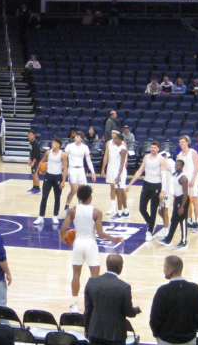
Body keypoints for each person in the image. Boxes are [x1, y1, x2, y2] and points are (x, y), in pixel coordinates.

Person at [60, 185, 124, 313]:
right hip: (90, 244)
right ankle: (95, 305)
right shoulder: (96, 212)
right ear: (90, 197)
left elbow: (62, 229)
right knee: (95, 277)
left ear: (79, 198)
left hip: (78, 243)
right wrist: (115, 238)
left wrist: (63, 240)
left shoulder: (72, 210)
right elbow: (100, 234)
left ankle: (75, 304)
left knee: (76, 275)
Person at [150, 255, 198, 345]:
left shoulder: (162, 291)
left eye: (164, 267)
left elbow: (154, 318)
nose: (163, 270)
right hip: (189, 339)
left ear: (170, 271)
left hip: (166, 340)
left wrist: (158, 335)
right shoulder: (195, 289)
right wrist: (193, 328)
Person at [84, 254, 140, 345]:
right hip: (115, 335)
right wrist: (136, 310)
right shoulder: (124, 287)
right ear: (119, 266)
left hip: (95, 332)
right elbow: (128, 312)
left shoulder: (91, 282)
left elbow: (87, 310)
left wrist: (87, 329)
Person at [128, 141, 166, 241]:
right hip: (146, 184)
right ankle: (151, 223)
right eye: (151, 147)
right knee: (142, 208)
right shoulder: (146, 157)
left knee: (153, 210)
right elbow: (140, 171)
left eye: (155, 147)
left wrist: (163, 191)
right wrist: (130, 183)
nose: (153, 149)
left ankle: (150, 230)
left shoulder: (161, 159)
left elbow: (164, 176)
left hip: (157, 185)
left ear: (158, 149)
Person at [157, 158, 191, 250]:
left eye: (178, 165)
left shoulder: (183, 178)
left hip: (183, 200)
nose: (176, 166)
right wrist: (175, 201)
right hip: (177, 199)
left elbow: (185, 193)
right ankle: (168, 239)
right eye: (176, 165)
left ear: (182, 166)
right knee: (174, 220)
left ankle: (184, 242)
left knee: (182, 221)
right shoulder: (176, 175)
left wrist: (182, 207)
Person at [35, 138, 67, 226]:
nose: (52, 144)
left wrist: (63, 181)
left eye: (54, 143)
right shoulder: (48, 152)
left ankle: (55, 216)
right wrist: (37, 172)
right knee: (44, 197)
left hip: (58, 177)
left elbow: (65, 169)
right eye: (52, 142)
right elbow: (42, 161)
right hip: (48, 176)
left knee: (57, 197)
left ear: (59, 145)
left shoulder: (63, 155)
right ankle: (41, 217)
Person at [64, 132, 98, 212]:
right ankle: (67, 205)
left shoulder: (85, 147)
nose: (75, 138)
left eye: (78, 136)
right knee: (74, 190)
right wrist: (64, 169)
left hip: (81, 170)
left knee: (82, 190)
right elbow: (64, 158)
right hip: (72, 169)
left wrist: (93, 172)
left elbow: (88, 160)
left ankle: (80, 207)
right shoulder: (69, 146)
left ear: (81, 139)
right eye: (75, 136)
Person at [176, 136, 198, 232]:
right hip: (184, 180)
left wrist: (193, 180)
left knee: (195, 201)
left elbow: (197, 166)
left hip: (193, 178)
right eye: (180, 142)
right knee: (187, 201)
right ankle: (189, 221)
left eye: (183, 142)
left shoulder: (193, 152)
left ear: (187, 142)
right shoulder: (179, 155)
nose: (181, 144)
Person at [102, 130, 129, 218]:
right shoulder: (117, 147)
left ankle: (120, 213)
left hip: (119, 172)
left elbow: (122, 164)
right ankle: (125, 211)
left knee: (120, 192)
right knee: (118, 192)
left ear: (120, 140)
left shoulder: (123, 149)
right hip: (115, 171)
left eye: (116, 138)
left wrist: (118, 176)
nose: (114, 139)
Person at [28, 130, 43, 194]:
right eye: (28, 135)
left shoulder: (36, 143)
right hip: (32, 160)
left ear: (34, 135)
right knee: (33, 174)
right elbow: (31, 152)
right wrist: (29, 160)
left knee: (35, 174)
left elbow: (36, 154)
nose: (29, 136)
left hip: (36, 161)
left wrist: (33, 162)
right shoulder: (30, 142)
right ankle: (34, 187)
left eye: (31, 135)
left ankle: (38, 188)